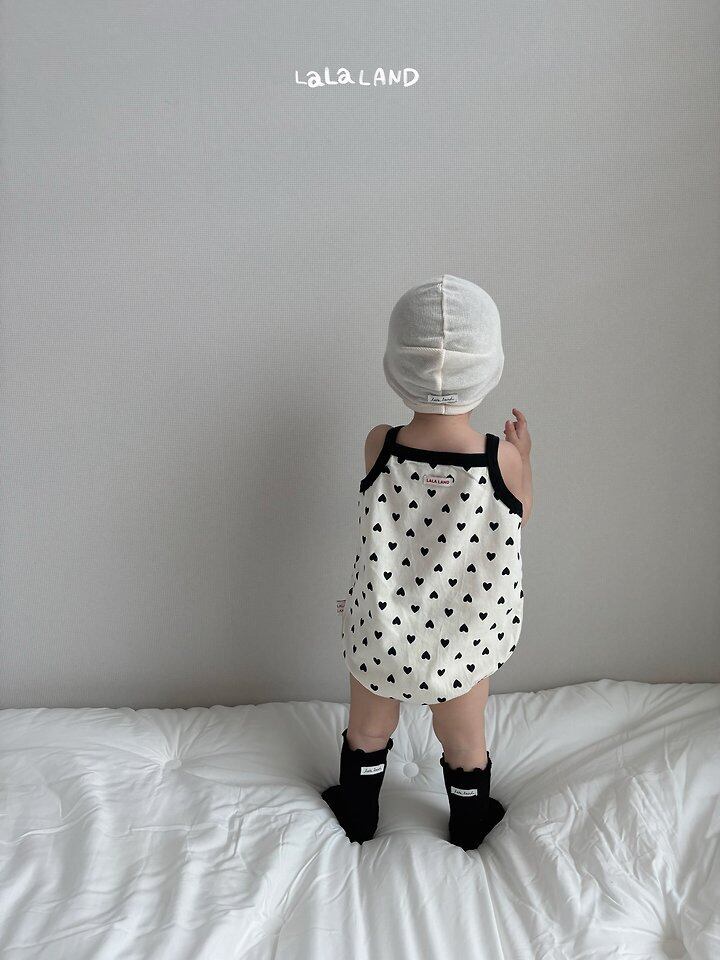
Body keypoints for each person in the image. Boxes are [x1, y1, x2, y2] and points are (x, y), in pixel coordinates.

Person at [321, 274, 533, 850]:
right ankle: (469, 822)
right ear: (488, 371)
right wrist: (526, 458)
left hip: (383, 631)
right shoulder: (502, 460)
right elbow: (520, 516)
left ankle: (358, 814)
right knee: (464, 739)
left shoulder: (378, 444)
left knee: (368, 727)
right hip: (462, 639)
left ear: (396, 369)